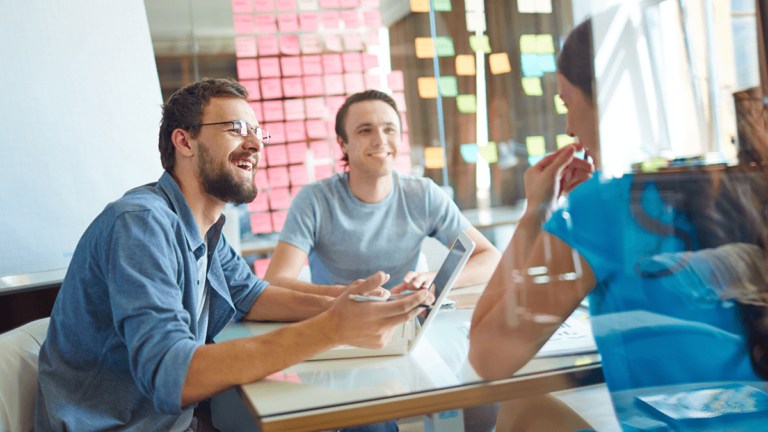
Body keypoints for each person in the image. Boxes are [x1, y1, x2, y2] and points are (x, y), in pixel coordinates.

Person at [34, 78, 432, 432]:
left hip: (180, 419)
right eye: (236, 129)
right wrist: (332, 328)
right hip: (124, 425)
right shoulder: (140, 224)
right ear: (184, 141)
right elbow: (170, 374)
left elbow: (251, 295)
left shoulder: (204, 226)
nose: (256, 143)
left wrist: (345, 301)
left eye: (258, 132)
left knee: (364, 415)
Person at [469, 18, 768, 432]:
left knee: (525, 410)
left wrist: (535, 214)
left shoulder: (602, 207)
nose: (569, 127)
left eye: (567, 102)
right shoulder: (748, 184)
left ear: (606, 99)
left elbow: (487, 356)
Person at [265, 90, 501, 297]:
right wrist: (347, 295)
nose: (380, 140)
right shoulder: (314, 200)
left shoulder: (423, 194)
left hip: (407, 319)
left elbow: (490, 257)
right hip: (335, 323)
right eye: (365, 130)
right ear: (343, 143)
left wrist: (435, 281)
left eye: (389, 129)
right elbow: (275, 282)